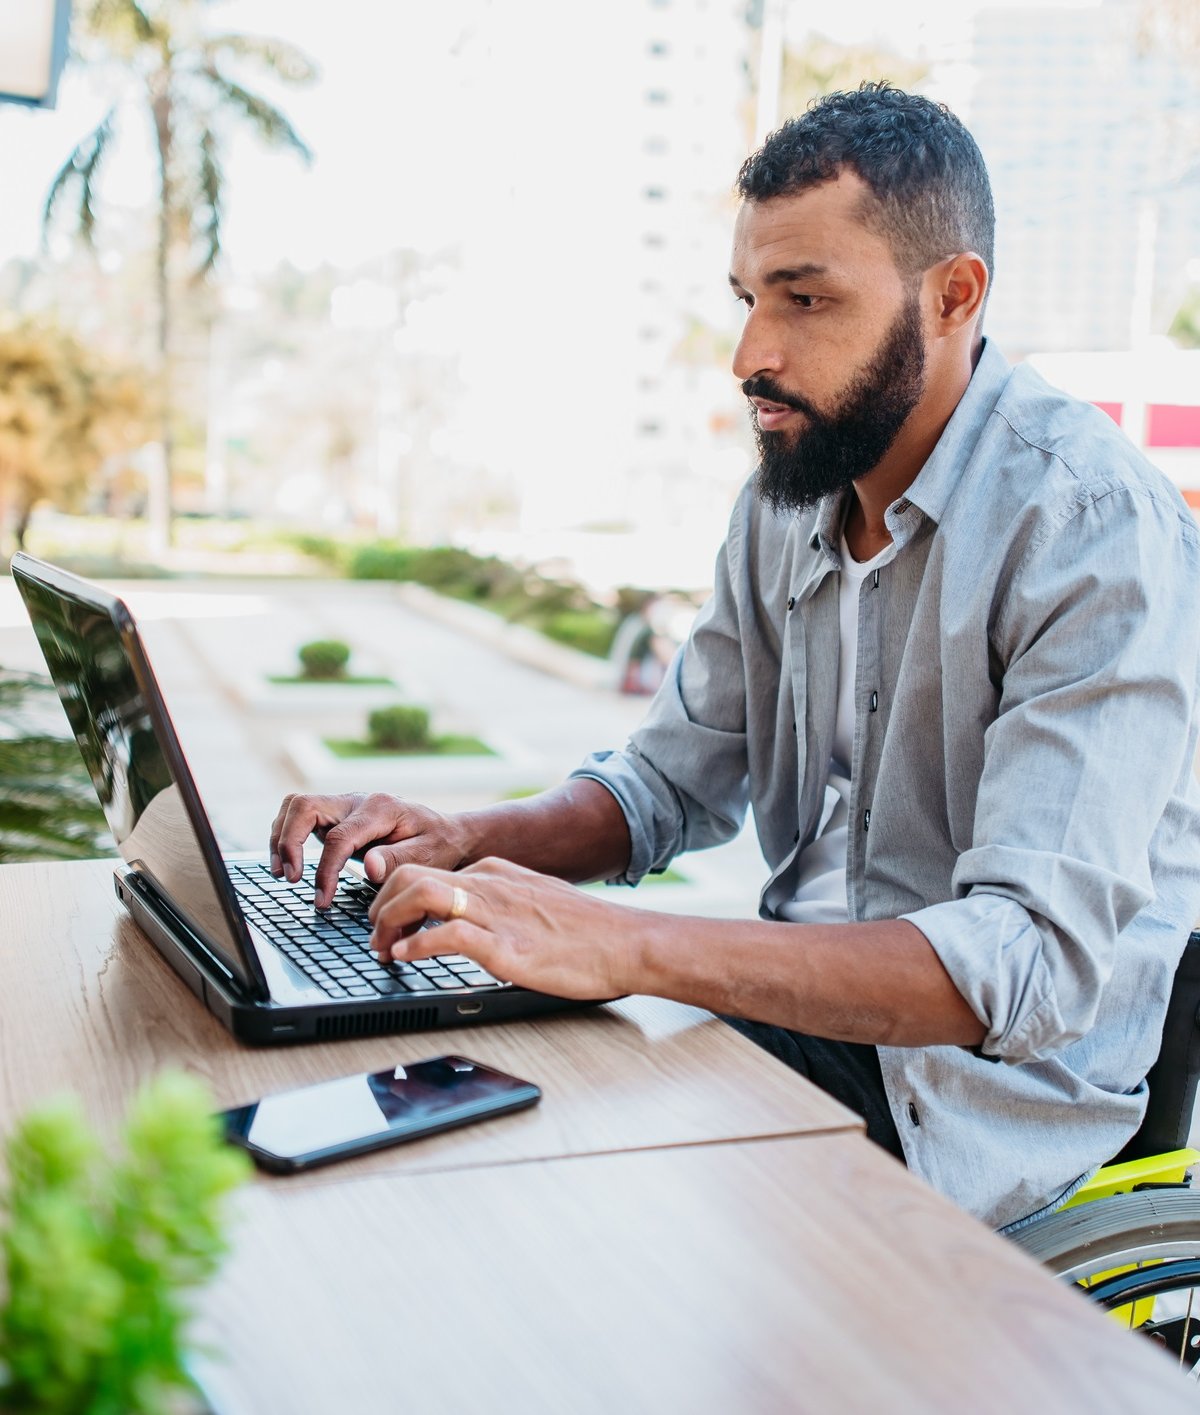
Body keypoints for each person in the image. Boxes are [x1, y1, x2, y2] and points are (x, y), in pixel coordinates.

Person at [270, 84, 1200, 1231]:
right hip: (789, 1027)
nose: (751, 352)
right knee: (410, 1072)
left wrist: (626, 943)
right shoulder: (788, 499)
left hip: (975, 1109)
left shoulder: (1092, 529)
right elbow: (667, 782)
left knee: (513, 1192)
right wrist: (470, 839)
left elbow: (1024, 964)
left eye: (806, 300)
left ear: (953, 296)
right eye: (750, 297)